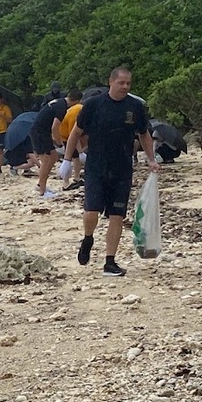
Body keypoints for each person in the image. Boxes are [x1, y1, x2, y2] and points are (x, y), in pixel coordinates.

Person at [60, 67, 159, 277]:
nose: (125, 87)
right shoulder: (93, 105)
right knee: (91, 212)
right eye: (121, 83)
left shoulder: (135, 107)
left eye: (128, 84)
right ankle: (88, 238)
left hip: (122, 168)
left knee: (117, 216)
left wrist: (151, 159)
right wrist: (67, 161)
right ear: (111, 82)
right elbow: (75, 133)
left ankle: (110, 261)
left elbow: (144, 134)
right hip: (96, 166)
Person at [30, 89, 80, 197]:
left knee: (54, 156)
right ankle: (42, 191)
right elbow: (55, 128)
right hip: (39, 132)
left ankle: (41, 183)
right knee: (46, 160)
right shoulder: (62, 108)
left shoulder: (59, 101)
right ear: (76, 101)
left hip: (43, 131)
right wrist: (60, 144)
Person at [58, 95, 86, 190]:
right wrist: (81, 151)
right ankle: (66, 182)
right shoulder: (76, 114)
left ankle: (77, 178)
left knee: (76, 157)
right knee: (70, 158)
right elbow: (73, 135)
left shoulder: (79, 109)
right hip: (65, 135)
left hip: (67, 132)